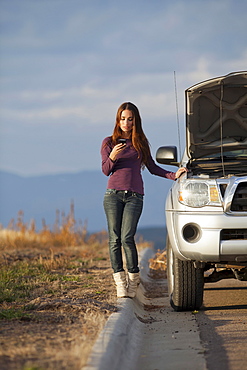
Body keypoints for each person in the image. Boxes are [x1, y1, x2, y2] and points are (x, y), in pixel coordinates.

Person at [101, 102, 187, 298]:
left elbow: (153, 167)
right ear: (118, 120)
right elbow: (106, 170)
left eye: (130, 119)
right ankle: (120, 282)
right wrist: (113, 157)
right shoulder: (108, 142)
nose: (126, 122)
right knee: (114, 239)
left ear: (135, 120)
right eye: (122, 119)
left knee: (127, 237)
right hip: (113, 195)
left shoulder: (140, 143)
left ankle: (133, 278)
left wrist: (174, 175)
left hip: (134, 196)